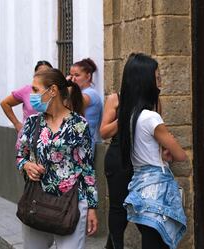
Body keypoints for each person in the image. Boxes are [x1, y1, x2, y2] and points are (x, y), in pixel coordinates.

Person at [16, 68, 98, 249]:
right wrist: (26, 165)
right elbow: (20, 156)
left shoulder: (79, 124)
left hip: (71, 204)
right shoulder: (32, 122)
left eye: (36, 90)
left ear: (52, 91)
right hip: (37, 202)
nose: (32, 95)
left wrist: (91, 207)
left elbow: (87, 169)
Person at [118, 53, 188, 249]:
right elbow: (180, 154)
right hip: (157, 191)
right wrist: (168, 151)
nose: (160, 84)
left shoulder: (130, 115)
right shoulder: (150, 118)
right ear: (146, 82)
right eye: (157, 78)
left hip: (140, 187)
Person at [100, 91, 133, 249]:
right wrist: (124, 117)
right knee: (118, 208)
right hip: (118, 158)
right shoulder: (116, 98)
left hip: (141, 159)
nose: (158, 82)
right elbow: (104, 132)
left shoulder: (153, 99)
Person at [0, 60, 52, 149]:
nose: (43, 76)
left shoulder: (54, 92)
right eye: (40, 73)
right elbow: (5, 103)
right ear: (35, 75)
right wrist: (16, 124)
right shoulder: (27, 90)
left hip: (49, 138)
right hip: (28, 138)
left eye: (47, 73)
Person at [68, 58, 103, 152]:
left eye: (77, 75)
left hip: (83, 144)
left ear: (88, 76)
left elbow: (69, 107)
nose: (73, 79)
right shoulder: (80, 93)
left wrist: (66, 87)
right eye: (71, 75)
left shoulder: (90, 94)